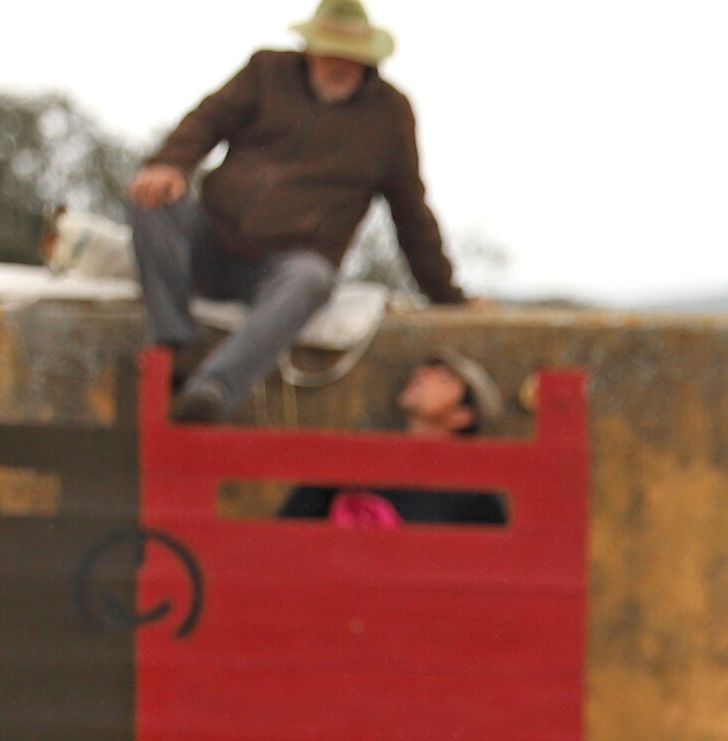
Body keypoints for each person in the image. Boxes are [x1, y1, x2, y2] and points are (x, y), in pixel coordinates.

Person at [127, 0, 470, 424]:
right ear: (309, 48)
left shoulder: (389, 114)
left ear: (369, 59)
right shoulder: (266, 71)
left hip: (285, 266)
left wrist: (449, 298)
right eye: (331, 50)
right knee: (152, 200)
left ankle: (213, 388)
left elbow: (411, 214)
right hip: (213, 238)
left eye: (352, 56)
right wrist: (170, 163)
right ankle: (174, 344)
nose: (340, 64)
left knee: (312, 277)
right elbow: (206, 120)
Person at [278, 352, 509, 526]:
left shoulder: (474, 493)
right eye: (426, 370)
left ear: (462, 416)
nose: (423, 374)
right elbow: (289, 529)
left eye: (445, 379)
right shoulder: (356, 459)